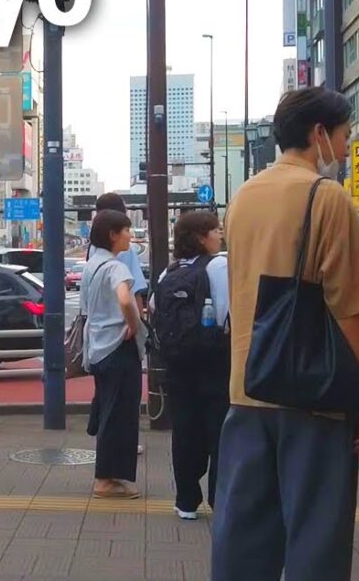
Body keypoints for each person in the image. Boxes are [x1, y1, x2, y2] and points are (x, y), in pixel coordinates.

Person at [214, 87, 359, 581]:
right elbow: (348, 308)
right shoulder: (327, 197)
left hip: (247, 388)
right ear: (319, 136)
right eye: (345, 138)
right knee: (317, 538)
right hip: (314, 394)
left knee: (243, 535)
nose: (346, 151)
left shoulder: (243, 195)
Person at [151, 210, 228, 519]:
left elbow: (156, 309)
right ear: (201, 237)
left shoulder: (170, 272)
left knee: (185, 429)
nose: (220, 234)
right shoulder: (219, 265)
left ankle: (186, 501)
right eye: (216, 229)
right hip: (215, 360)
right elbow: (228, 311)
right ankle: (219, 499)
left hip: (178, 363)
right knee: (220, 430)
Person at [83, 209, 146, 500]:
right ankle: (106, 480)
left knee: (109, 409)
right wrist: (133, 324)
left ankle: (107, 476)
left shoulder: (92, 264)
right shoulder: (117, 267)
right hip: (118, 348)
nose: (130, 236)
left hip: (97, 347)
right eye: (126, 230)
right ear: (112, 234)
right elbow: (125, 298)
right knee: (120, 414)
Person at [90, 193, 149, 305]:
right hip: (120, 320)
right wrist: (138, 321)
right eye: (127, 230)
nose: (130, 235)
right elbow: (133, 292)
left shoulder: (93, 249)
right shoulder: (124, 251)